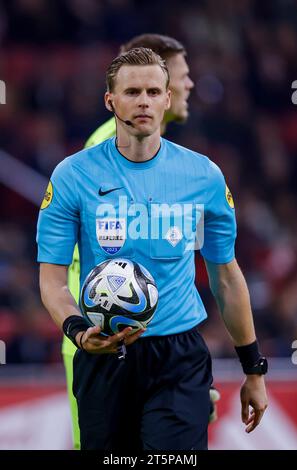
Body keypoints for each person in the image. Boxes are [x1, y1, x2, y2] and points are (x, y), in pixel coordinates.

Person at [37, 47, 268, 450]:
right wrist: (76, 330)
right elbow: (53, 277)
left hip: (177, 356)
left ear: (166, 99)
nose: (143, 101)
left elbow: (226, 277)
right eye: (131, 92)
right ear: (110, 100)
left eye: (152, 91)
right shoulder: (72, 176)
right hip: (103, 352)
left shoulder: (203, 177)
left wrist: (254, 368)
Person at [62, 33, 220, 450]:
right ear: (113, 99)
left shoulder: (189, 168)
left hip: (157, 341)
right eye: (184, 76)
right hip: (104, 331)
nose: (189, 86)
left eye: (156, 90)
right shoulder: (101, 152)